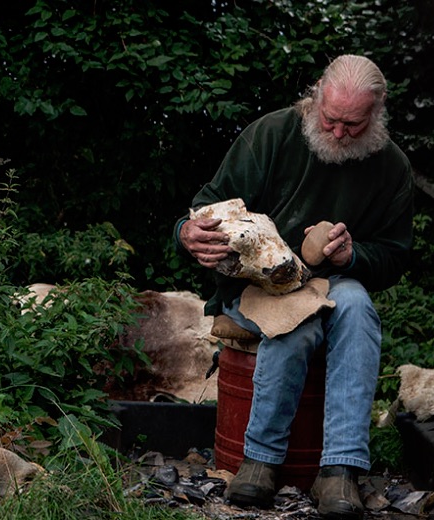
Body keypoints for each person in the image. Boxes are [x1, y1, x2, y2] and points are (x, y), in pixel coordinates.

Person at [174, 55, 413, 520]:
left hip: (337, 285)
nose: (340, 133)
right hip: (259, 286)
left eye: (354, 125)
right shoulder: (272, 135)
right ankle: (260, 461)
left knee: (358, 304)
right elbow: (207, 206)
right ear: (316, 97)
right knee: (299, 325)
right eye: (331, 120)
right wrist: (187, 230)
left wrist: (353, 256)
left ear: (377, 114)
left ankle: (340, 470)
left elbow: (396, 257)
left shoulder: (391, 167)